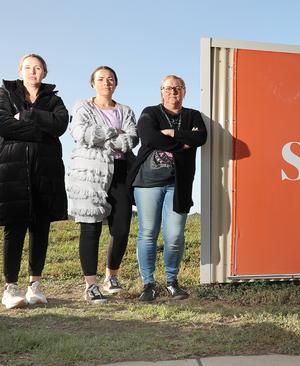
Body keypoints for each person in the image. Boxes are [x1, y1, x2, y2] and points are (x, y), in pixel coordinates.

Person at [127, 75, 206, 302]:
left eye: (178, 88)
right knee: (148, 233)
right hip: (147, 183)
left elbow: (201, 137)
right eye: (169, 88)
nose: (173, 92)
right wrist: (183, 143)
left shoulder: (193, 115)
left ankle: (172, 281)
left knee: (174, 236)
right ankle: (148, 284)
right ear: (161, 91)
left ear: (184, 92)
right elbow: (148, 137)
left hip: (178, 184)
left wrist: (171, 133)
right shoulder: (150, 112)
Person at [0, 54, 68, 309]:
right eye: (28, 67)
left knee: (41, 228)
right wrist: (40, 124)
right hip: (12, 170)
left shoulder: (54, 99)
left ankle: (35, 285)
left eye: (37, 68)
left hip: (45, 170)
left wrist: (25, 116)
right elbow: (3, 125)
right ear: (20, 71)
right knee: (14, 229)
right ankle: (10, 287)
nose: (32, 72)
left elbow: (60, 124)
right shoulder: (4, 94)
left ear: (44, 73)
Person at [67, 66, 138, 304]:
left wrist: (105, 136)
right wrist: (113, 134)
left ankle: (112, 276)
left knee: (121, 229)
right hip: (90, 172)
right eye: (101, 79)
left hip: (121, 172)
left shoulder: (126, 110)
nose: (106, 82)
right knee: (91, 227)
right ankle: (91, 285)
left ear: (116, 83)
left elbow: (131, 139)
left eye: (110, 79)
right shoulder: (82, 107)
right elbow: (79, 132)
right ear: (92, 83)